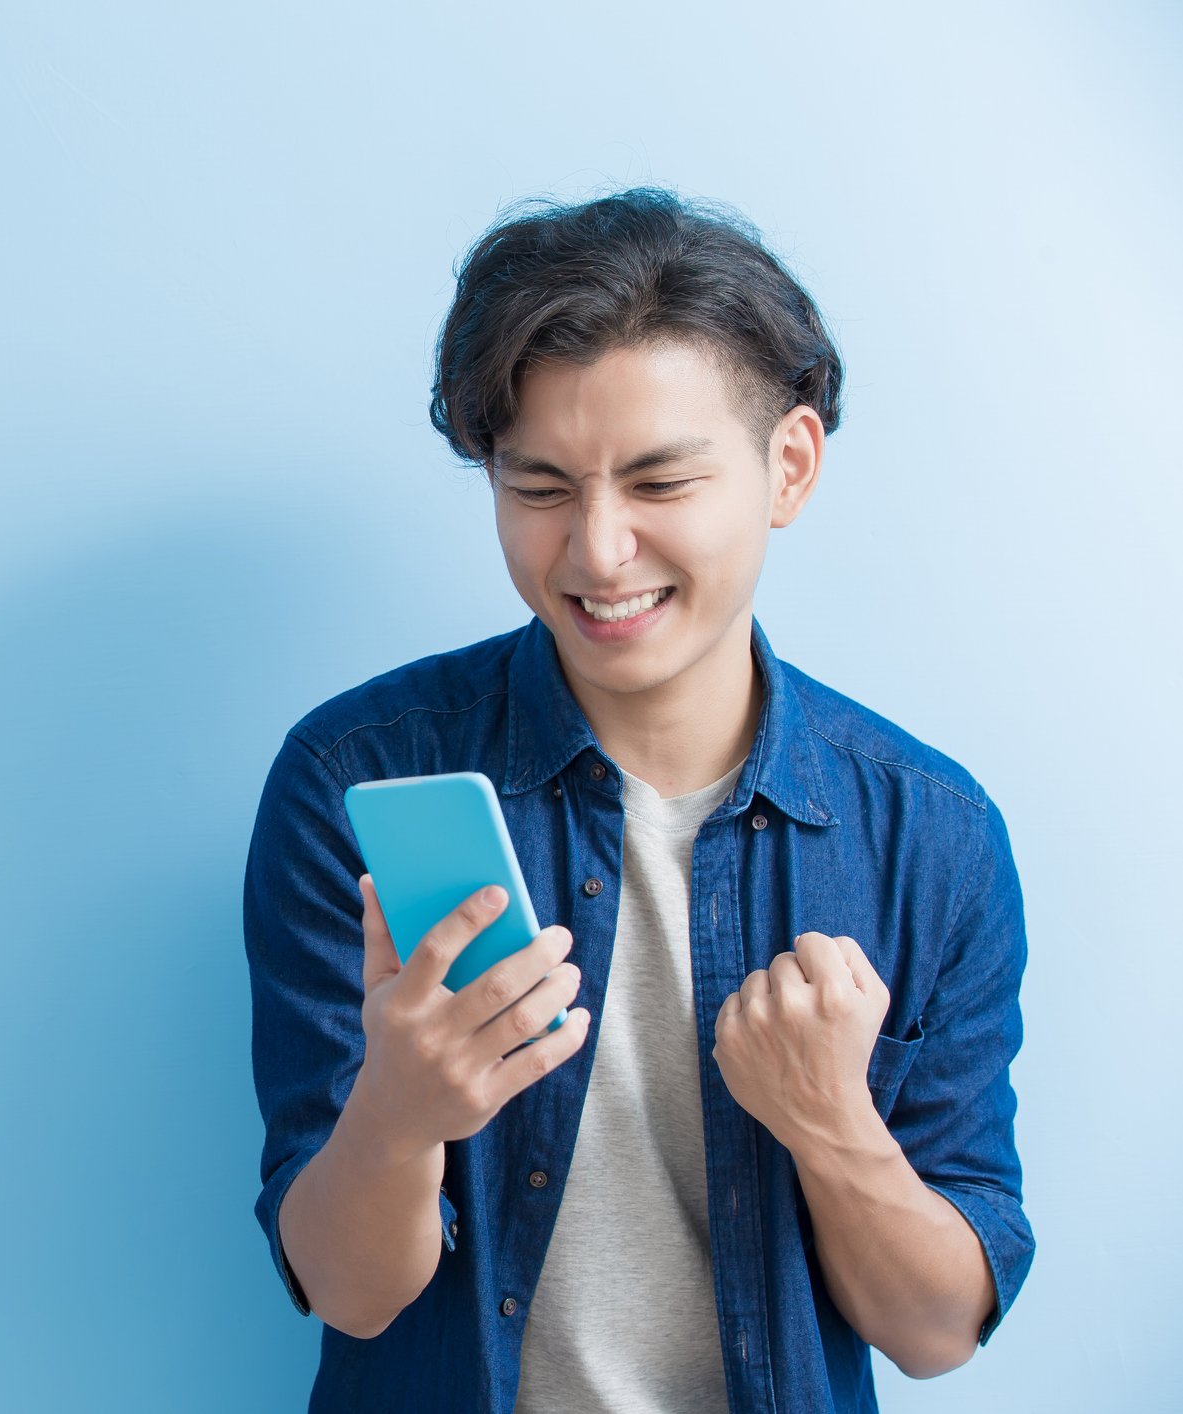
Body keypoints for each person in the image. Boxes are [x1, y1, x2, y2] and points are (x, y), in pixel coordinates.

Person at [242, 187, 1034, 1413]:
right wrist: (399, 1116)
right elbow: (352, 1292)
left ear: (789, 465)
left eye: (660, 482)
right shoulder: (355, 779)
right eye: (540, 487)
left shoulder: (928, 837)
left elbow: (936, 1333)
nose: (597, 552)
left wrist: (831, 1122)